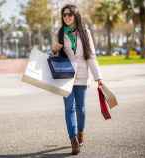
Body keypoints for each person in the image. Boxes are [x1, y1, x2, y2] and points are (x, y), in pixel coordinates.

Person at [52, 4, 103, 155]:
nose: (66, 17)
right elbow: (55, 57)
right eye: (64, 14)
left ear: (76, 15)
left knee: (81, 109)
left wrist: (98, 77)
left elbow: (91, 56)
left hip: (82, 75)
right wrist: (54, 50)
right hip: (65, 76)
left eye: (70, 14)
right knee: (69, 108)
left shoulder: (85, 32)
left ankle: (80, 132)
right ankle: (73, 139)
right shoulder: (60, 33)